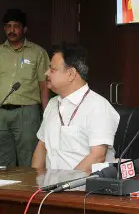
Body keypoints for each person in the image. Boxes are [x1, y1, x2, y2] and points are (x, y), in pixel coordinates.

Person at [31, 44, 119, 173]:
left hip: (85, 188)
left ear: (71, 74)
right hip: (51, 188)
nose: (46, 73)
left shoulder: (98, 106)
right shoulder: (52, 104)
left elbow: (97, 156)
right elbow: (42, 146)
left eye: (52, 69)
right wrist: (35, 181)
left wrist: (64, 185)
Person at [0, 9, 50, 167]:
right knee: (3, 161)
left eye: (16, 26)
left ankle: (29, 192)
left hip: (27, 113)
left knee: (28, 158)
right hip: (1, 112)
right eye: (8, 26)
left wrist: (48, 117)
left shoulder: (38, 53)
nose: (11, 30)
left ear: (24, 29)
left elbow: (44, 87)